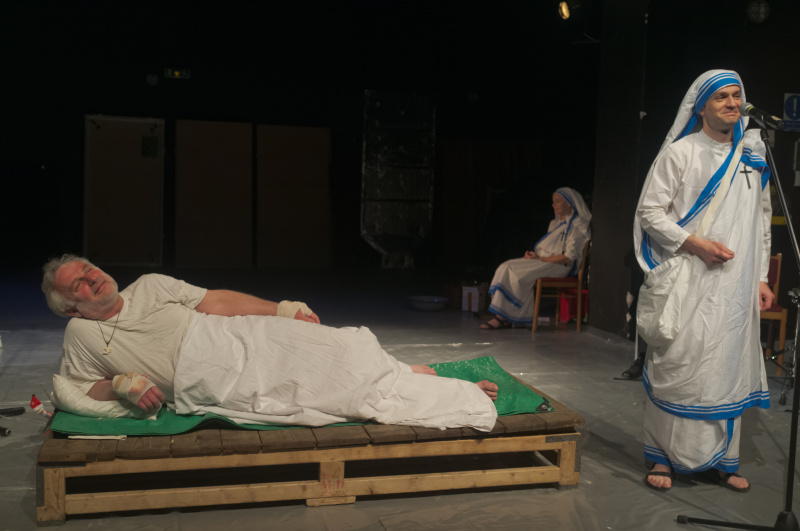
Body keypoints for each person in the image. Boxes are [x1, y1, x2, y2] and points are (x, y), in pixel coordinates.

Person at [42, 254, 499, 430]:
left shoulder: (150, 285)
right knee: (318, 388)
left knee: (334, 344)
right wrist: (122, 385)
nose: (91, 278)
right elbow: (77, 388)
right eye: (77, 284)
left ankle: (402, 373)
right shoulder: (81, 333)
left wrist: (280, 309)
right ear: (70, 308)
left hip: (232, 334)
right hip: (209, 373)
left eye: (88, 269)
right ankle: (435, 390)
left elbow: (218, 302)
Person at [633, 70, 773, 493]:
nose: (732, 103)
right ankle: (663, 457)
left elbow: (762, 221)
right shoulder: (681, 153)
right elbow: (649, 213)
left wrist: (762, 279)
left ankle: (723, 461)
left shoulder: (753, 154)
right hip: (691, 279)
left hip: (736, 286)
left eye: (736, 96)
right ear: (701, 107)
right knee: (681, 361)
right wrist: (695, 245)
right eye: (721, 97)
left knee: (725, 366)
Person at [481, 187, 591, 329]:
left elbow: (568, 257)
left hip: (559, 266)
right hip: (545, 262)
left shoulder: (576, 226)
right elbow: (550, 249)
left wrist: (541, 259)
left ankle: (502, 318)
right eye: (553, 201)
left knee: (514, 272)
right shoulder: (556, 224)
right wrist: (536, 256)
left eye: (557, 201)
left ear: (569, 203)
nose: (553, 205)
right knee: (505, 266)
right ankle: (509, 316)